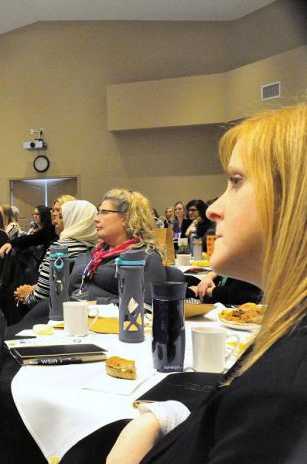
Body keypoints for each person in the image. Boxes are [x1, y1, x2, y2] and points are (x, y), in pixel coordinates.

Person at [107, 104, 307, 464]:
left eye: (236, 181)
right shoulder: (287, 335)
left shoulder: (285, 392)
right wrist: (160, 420)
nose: (215, 208)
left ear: (294, 198)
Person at [68, 189, 166, 304]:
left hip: (110, 320)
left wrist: (95, 303)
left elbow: (147, 306)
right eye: (98, 212)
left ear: (125, 219)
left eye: (104, 212)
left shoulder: (145, 257)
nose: (96, 219)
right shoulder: (94, 253)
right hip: (74, 314)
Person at [14, 200, 99, 307]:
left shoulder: (60, 249)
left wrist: (25, 296)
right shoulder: (97, 248)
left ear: (73, 220)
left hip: (54, 308)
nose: (55, 221)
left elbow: (40, 296)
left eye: (62, 217)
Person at [188, 270, 261, 306]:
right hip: (216, 294)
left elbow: (239, 295)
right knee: (185, 279)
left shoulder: (249, 269)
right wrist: (209, 276)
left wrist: (204, 290)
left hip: (231, 306)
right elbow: (218, 269)